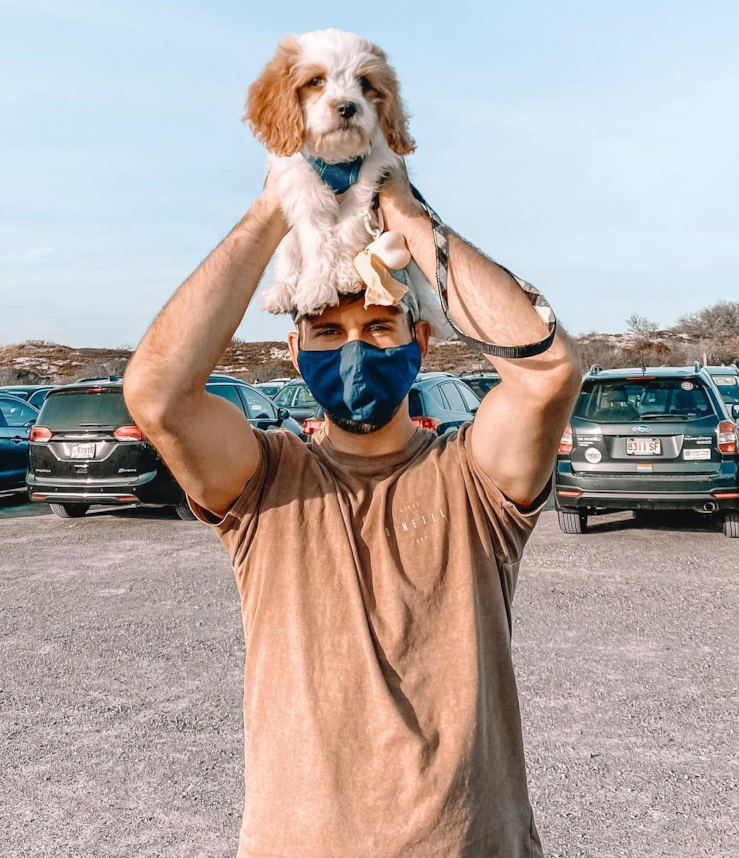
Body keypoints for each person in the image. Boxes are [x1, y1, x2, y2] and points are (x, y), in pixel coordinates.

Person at [124, 170, 582, 858]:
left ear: (420, 344)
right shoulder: (263, 484)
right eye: (327, 329)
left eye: (377, 325)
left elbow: (548, 371)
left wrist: (405, 214)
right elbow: (157, 395)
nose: (353, 347)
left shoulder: (473, 479)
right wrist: (278, 208)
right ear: (294, 349)